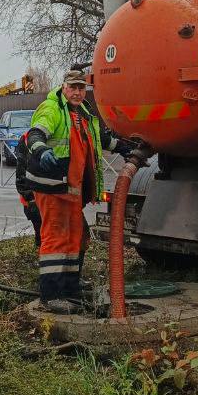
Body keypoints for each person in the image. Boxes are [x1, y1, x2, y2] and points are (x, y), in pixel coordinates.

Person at [19, 68, 132, 312]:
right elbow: (35, 134)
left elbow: (98, 137)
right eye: (74, 88)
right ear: (64, 87)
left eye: (82, 88)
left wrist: (123, 147)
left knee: (76, 237)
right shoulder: (52, 109)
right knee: (56, 238)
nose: (78, 92)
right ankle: (51, 296)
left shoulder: (82, 112)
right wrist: (41, 150)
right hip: (52, 187)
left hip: (72, 189)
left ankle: (70, 289)